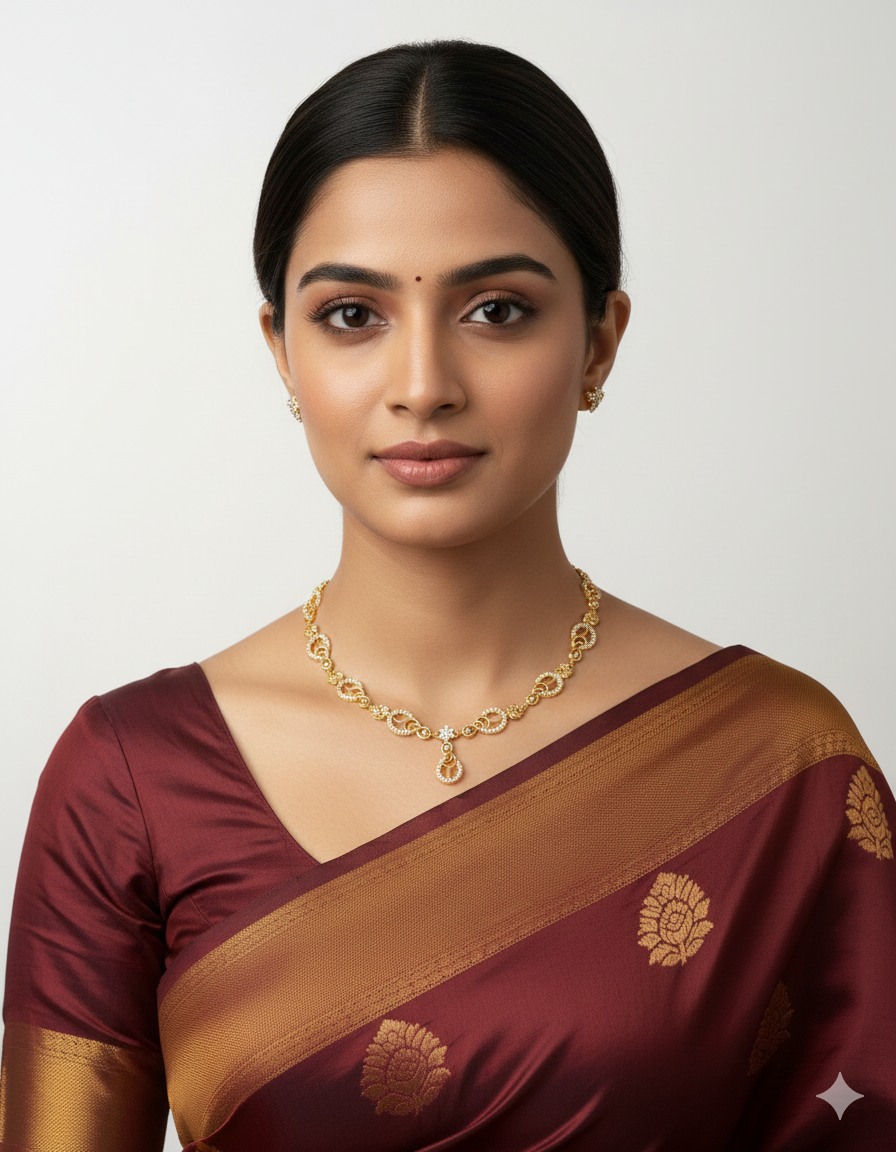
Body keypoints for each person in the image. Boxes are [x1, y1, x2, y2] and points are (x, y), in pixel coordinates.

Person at [1, 37, 893, 1152]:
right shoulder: (132, 779)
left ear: (599, 344)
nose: (422, 386)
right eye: (352, 316)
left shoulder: (777, 764)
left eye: (497, 311)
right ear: (281, 351)